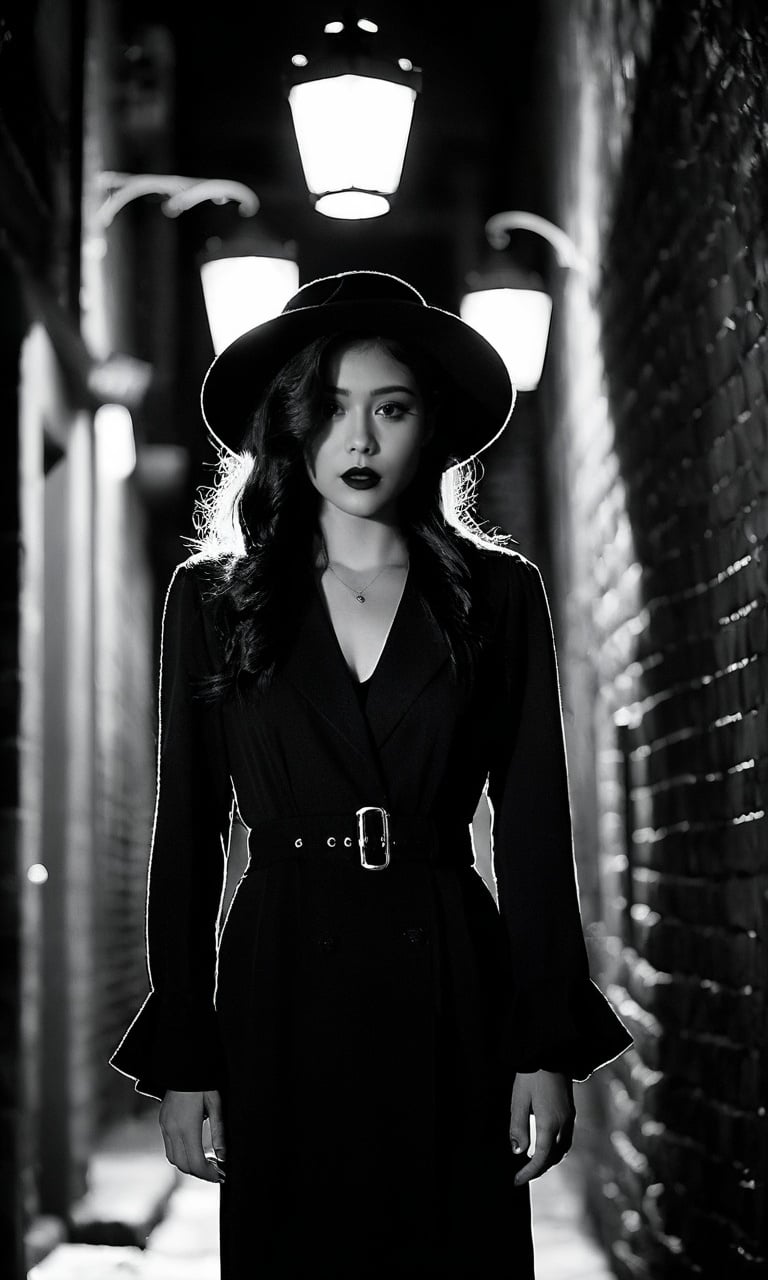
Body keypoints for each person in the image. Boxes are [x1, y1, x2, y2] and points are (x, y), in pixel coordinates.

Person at [109, 269, 633, 1278]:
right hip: (280, 973)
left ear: (428, 427)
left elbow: (532, 824)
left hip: (445, 966)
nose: (358, 441)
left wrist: (545, 1042)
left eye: (389, 408)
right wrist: (185, 1052)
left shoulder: (499, 592)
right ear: (289, 423)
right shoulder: (214, 599)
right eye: (331, 408)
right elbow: (186, 831)